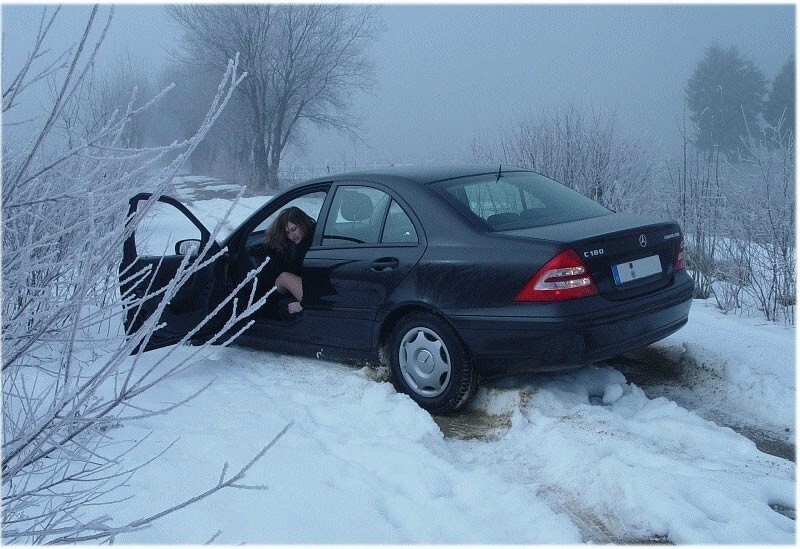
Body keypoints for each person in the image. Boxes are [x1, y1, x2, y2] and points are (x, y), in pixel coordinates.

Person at [264, 206, 316, 315]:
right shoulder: (301, 244)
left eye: (294, 229)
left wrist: (303, 304)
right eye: (287, 233)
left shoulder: (311, 244)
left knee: (284, 278)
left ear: (303, 224)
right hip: (311, 286)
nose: (292, 236)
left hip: (316, 292)